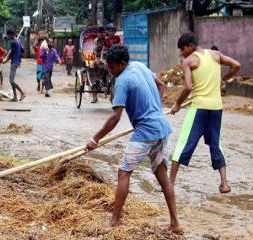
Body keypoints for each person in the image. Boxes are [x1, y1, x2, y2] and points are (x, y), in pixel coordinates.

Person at [86, 46, 182, 234]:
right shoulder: (140, 66)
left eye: (112, 67)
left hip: (146, 133)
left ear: (122, 64)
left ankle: (114, 221)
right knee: (163, 177)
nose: (110, 71)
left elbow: (115, 117)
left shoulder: (122, 80)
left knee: (124, 173)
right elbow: (161, 85)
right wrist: (155, 108)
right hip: (162, 128)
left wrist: (94, 139)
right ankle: (175, 224)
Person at [169, 33, 241, 193]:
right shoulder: (215, 55)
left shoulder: (189, 61)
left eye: (182, 49)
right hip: (216, 108)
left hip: (199, 109)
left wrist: (177, 104)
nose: (182, 53)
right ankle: (224, 184)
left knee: (183, 144)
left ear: (189, 46)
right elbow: (236, 65)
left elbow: (187, 87)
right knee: (216, 144)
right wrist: (223, 78)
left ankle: (169, 183)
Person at [3, 30, 26, 102]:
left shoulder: (13, 42)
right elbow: (23, 50)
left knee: (11, 80)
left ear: (11, 35)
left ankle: (22, 93)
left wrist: (5, 61)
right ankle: (15, 97)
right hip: (17, 62)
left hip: (14, 62)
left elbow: (11, 54)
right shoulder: (18, 41)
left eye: (8, 35)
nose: (8, 37)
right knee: (11, 81)